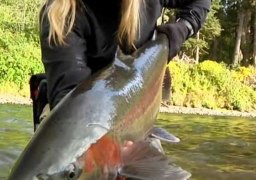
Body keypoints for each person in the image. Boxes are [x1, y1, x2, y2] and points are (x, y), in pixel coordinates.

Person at [30, 0, 211, 128]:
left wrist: (181, 30)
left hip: (136, 108)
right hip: (76, 113)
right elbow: (72, 104)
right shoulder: (59, 13)